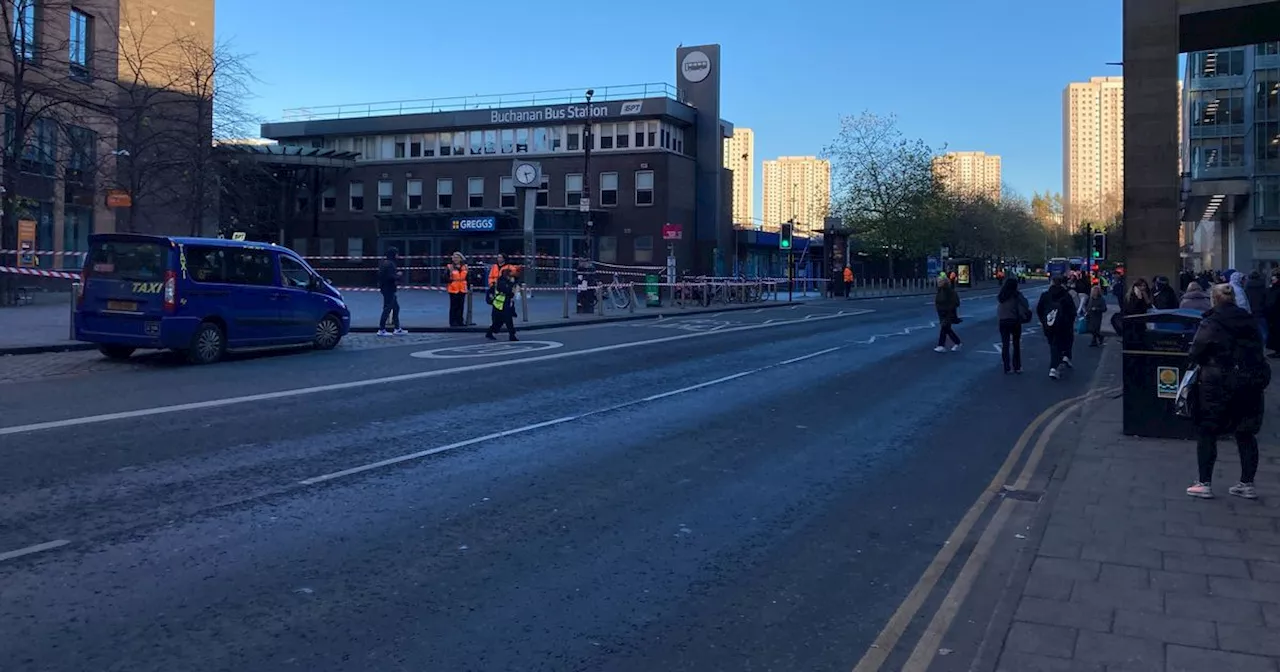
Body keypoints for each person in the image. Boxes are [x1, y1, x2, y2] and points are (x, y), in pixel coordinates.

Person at [1185, 283, 1270, 500]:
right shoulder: (1249, 321)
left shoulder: (1212, 322)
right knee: (1245, 433)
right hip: (1250, 382)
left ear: (1214, 299)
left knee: (1207, 430)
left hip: (1217, 382)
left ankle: (1204, 483)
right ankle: (1247, 484)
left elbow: (1196, 351)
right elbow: (1259, 347)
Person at [1037, 274, 1078, 379]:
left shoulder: (1045, 295)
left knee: (1053, 345)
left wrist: (1044, 321)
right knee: (1060, 344)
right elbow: (1072, 311)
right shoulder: (1066, 295)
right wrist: (1069, 322)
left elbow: (1039, 310)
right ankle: (1055, 366)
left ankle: (1055, 366)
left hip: (1049, 325)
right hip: (1063, 325)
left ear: (1051, 282)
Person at [995, 277, 1030, 373]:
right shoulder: (1016, 295)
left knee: (1005, 344)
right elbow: (1025, 304)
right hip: (1014, 320)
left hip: (1003, 321)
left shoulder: (1002, 295)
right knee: (1016, 344)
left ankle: (1007, 367)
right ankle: (1017, 367)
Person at [377, 247, 406, 336]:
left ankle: (397, 328)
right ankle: (382, 329)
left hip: (386, 288)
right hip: (389, 289)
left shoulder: (384, 263)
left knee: (395, 308)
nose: (398, 256)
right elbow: (390, 277)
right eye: (396, 254)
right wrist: (398, 275)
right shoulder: (390, 264)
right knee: (387, 308)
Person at [485, 265, 519, 341]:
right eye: (511, 275)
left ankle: (512, 335)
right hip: (500, 305)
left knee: (508, 320)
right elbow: (508, 292)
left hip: (504, 304)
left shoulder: (506, 281)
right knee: (499, 322)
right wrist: (512, 286)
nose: (512, 277)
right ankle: (490, 332)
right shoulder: (501, 282)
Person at [933, 276, 962, 353]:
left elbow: (956, 302)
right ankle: (957, 343)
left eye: (940, 281)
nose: (938, 283)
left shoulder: (949, 291)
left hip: (948, 313)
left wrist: (947, 308)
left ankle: (941, 345)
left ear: (944, 282)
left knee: (945, 328)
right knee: (947, 329)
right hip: (942, 313)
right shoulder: (940, 290)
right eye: (938, 281)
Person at [445, 252, 469, 328]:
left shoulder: (465, 267)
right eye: (454, 257)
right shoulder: (450, 267)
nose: (455, 259)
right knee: (454, 306)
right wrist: (450, 281)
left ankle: (460, 321)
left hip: (462, 289)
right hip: (453, 289)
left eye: (457, 257)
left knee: (461, 306)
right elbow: (444, 276)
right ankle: (453, 322)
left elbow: (468, 276)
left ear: (460, 258)